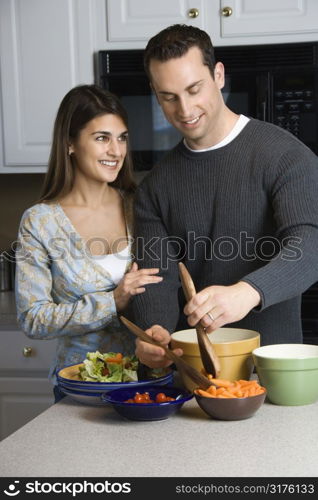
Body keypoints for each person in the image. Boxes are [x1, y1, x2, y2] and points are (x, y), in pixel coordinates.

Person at [131, 24, 318, 369]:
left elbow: (310, 244)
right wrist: (152, 333)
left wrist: (247, 292)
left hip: (273, 372)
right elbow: (155, 278)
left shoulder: (286, 156)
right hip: (191, 377)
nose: (184, 110)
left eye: (194, 89)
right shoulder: (154, 187)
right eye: (168, 97)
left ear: (218, 75)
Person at [15, 84, 162, 400]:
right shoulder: (40, 221)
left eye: (122, 137)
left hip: (147, 385)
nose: (116, 151)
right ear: (70, 143)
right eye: (102, 138)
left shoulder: (141, 207)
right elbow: (33, 319)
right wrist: (112, 302)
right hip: (79, 388)